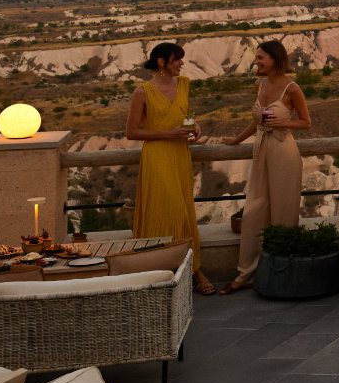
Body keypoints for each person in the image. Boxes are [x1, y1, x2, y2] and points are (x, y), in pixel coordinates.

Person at [125, 41, 216, 294]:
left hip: (180, 154)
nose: (182, 64)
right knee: (166, 211)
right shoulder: (143, 91)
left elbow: (182, 115)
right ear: (162, 62)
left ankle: (193, 268)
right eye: (177, 59)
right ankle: (167, 269)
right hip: (157, 156)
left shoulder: (184, 84)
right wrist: (169, 133)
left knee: (184, 212)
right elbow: (132, 132)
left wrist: (193, 126)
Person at [223, 40, 311, 294]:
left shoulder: (292, 88)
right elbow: (257, 122)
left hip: (283, 152)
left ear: (274, 59)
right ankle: (245, 273)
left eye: (260, 58)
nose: (256, 62)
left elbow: (306, 122)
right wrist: (236, 140)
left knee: (283, 212)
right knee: (253, 212)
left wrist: (283, 124)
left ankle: (284, 272)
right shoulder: (260, 84)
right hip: (261, 150)